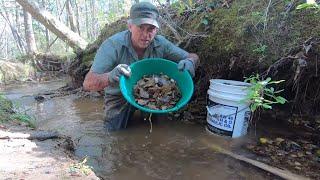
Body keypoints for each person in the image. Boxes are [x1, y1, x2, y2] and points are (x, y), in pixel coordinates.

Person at [83, 2, 199, 131]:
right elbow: (87, 84)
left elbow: (192, 56)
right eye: (140, 27)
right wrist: (110, 76)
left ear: (156, 30)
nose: (145, 34)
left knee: (164, 131)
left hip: (155, 94)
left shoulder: (161, 44)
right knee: (113, 133)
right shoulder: (113, 45)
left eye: (150, 29)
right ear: (130, 26)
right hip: (119, 96)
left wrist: (191, 62)